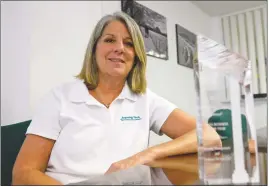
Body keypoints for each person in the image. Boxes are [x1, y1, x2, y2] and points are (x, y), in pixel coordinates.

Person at [12, 11, 221, 185]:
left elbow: (210, 137)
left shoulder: (145, 99)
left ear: (136, 55)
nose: (119, 48)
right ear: (94, 50)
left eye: (129, 44)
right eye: (109, 40)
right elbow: (23, 173)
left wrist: (146, 155)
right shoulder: (59, 97)